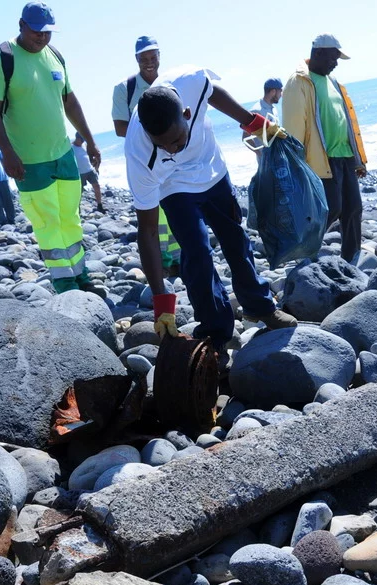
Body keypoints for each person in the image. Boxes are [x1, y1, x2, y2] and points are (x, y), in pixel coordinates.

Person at [125, 66, 296, 351]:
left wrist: (253, 122)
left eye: (178, 140)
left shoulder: (191, 81)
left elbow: (213, 94)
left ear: (188, 115)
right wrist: (161, 301)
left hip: (212, 170)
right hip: (173, 183)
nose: (173, 149)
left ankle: (260, 307)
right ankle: (216, 332)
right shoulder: (139, 155)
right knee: (197, 252)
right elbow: (149, 231)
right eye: (164, 145)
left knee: (236, 239)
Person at [0, 2, 102, 293]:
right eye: (37, 31)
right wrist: (8, 153)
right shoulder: (1, 59)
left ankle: (80, 273)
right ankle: (63, 281)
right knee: (48, 222)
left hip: (63, 155)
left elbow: (70, 102)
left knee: (70, 218)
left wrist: (90, 141)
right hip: (29, 161)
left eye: (48, 32)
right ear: (22, 24)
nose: (43, 37)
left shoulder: (55, 56)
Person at [282, 34, 368, 264]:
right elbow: (293, 125)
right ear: (318, 53)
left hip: (345, 155)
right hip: (321, 158)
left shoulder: (334, 82)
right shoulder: (299, 82)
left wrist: (359, 158)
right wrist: (297, 163)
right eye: (333, 57)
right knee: (331, 209)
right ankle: (305, 253)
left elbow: (348, 121)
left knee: (353, 209)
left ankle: (351, 257)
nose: (336, 62)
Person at [112, 36, 180, 272]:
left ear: (160, 56)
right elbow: (120, 127)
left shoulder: (170, 82)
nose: (149, 63)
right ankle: (162, 261)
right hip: (144, 161)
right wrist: (153, 131)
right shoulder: (125, 89)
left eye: (153, 57)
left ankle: (179, 256)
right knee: (153, 211)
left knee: (175, 203)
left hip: (173, 156)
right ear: (136, 59)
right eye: (144, 59)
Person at [243, 78, 282, 145]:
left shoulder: (273, 108)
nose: (281, 95)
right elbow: (245, 137)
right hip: (266, 155)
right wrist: (259, 153)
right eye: (280, 91)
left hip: (277, 154)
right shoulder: (256, 111)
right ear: (273, 92)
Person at [72, 133, 105, 214]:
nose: (82, 141)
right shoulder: (70, 147)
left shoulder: (84, 145)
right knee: (79, 191)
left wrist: (96, 166)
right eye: (81, 139)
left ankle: (99, 205)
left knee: (97, 186)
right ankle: (77, 208)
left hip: (90, 170)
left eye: (83, 140)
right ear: (77, 138)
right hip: (79, 173)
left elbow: (89, 156)